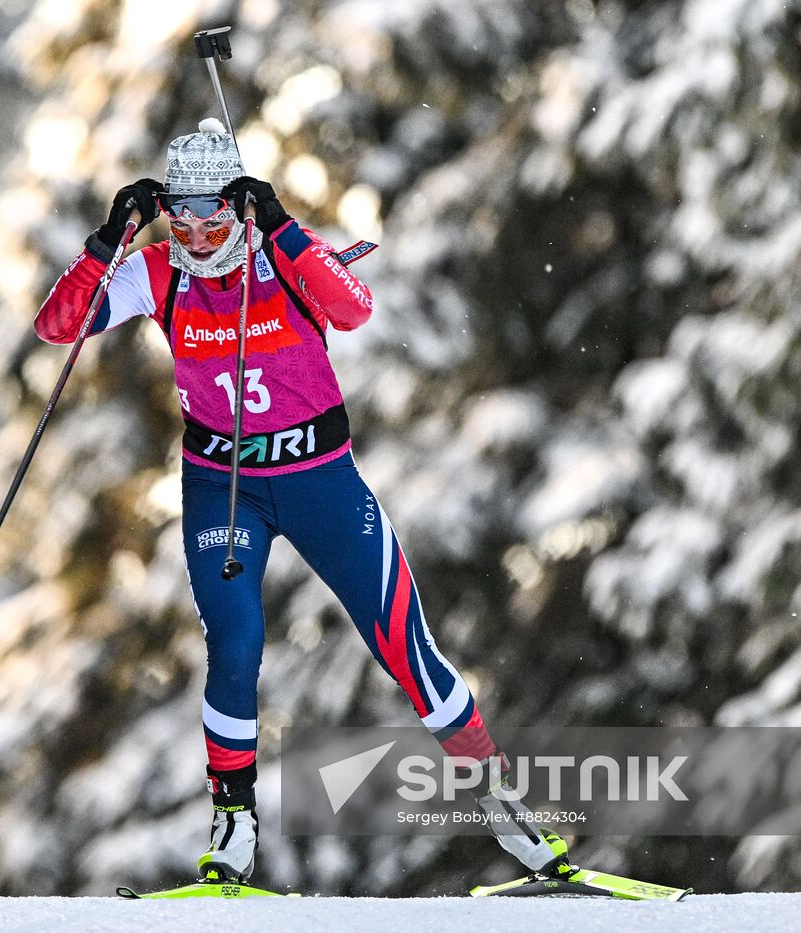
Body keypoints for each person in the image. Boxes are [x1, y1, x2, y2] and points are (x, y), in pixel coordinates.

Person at [34, 118, 569, 885]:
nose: (195, 234)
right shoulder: (159, 271)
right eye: (178, 216)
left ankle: (505, 805)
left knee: (403, 643)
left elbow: (352, 310)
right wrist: (106, 241)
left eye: (212, 216)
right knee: (236, 641)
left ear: (237, 205)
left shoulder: (282, 255)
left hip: (320, 479)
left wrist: (281, 228)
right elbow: (59, 327)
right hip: (224, 487)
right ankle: (232, 826)